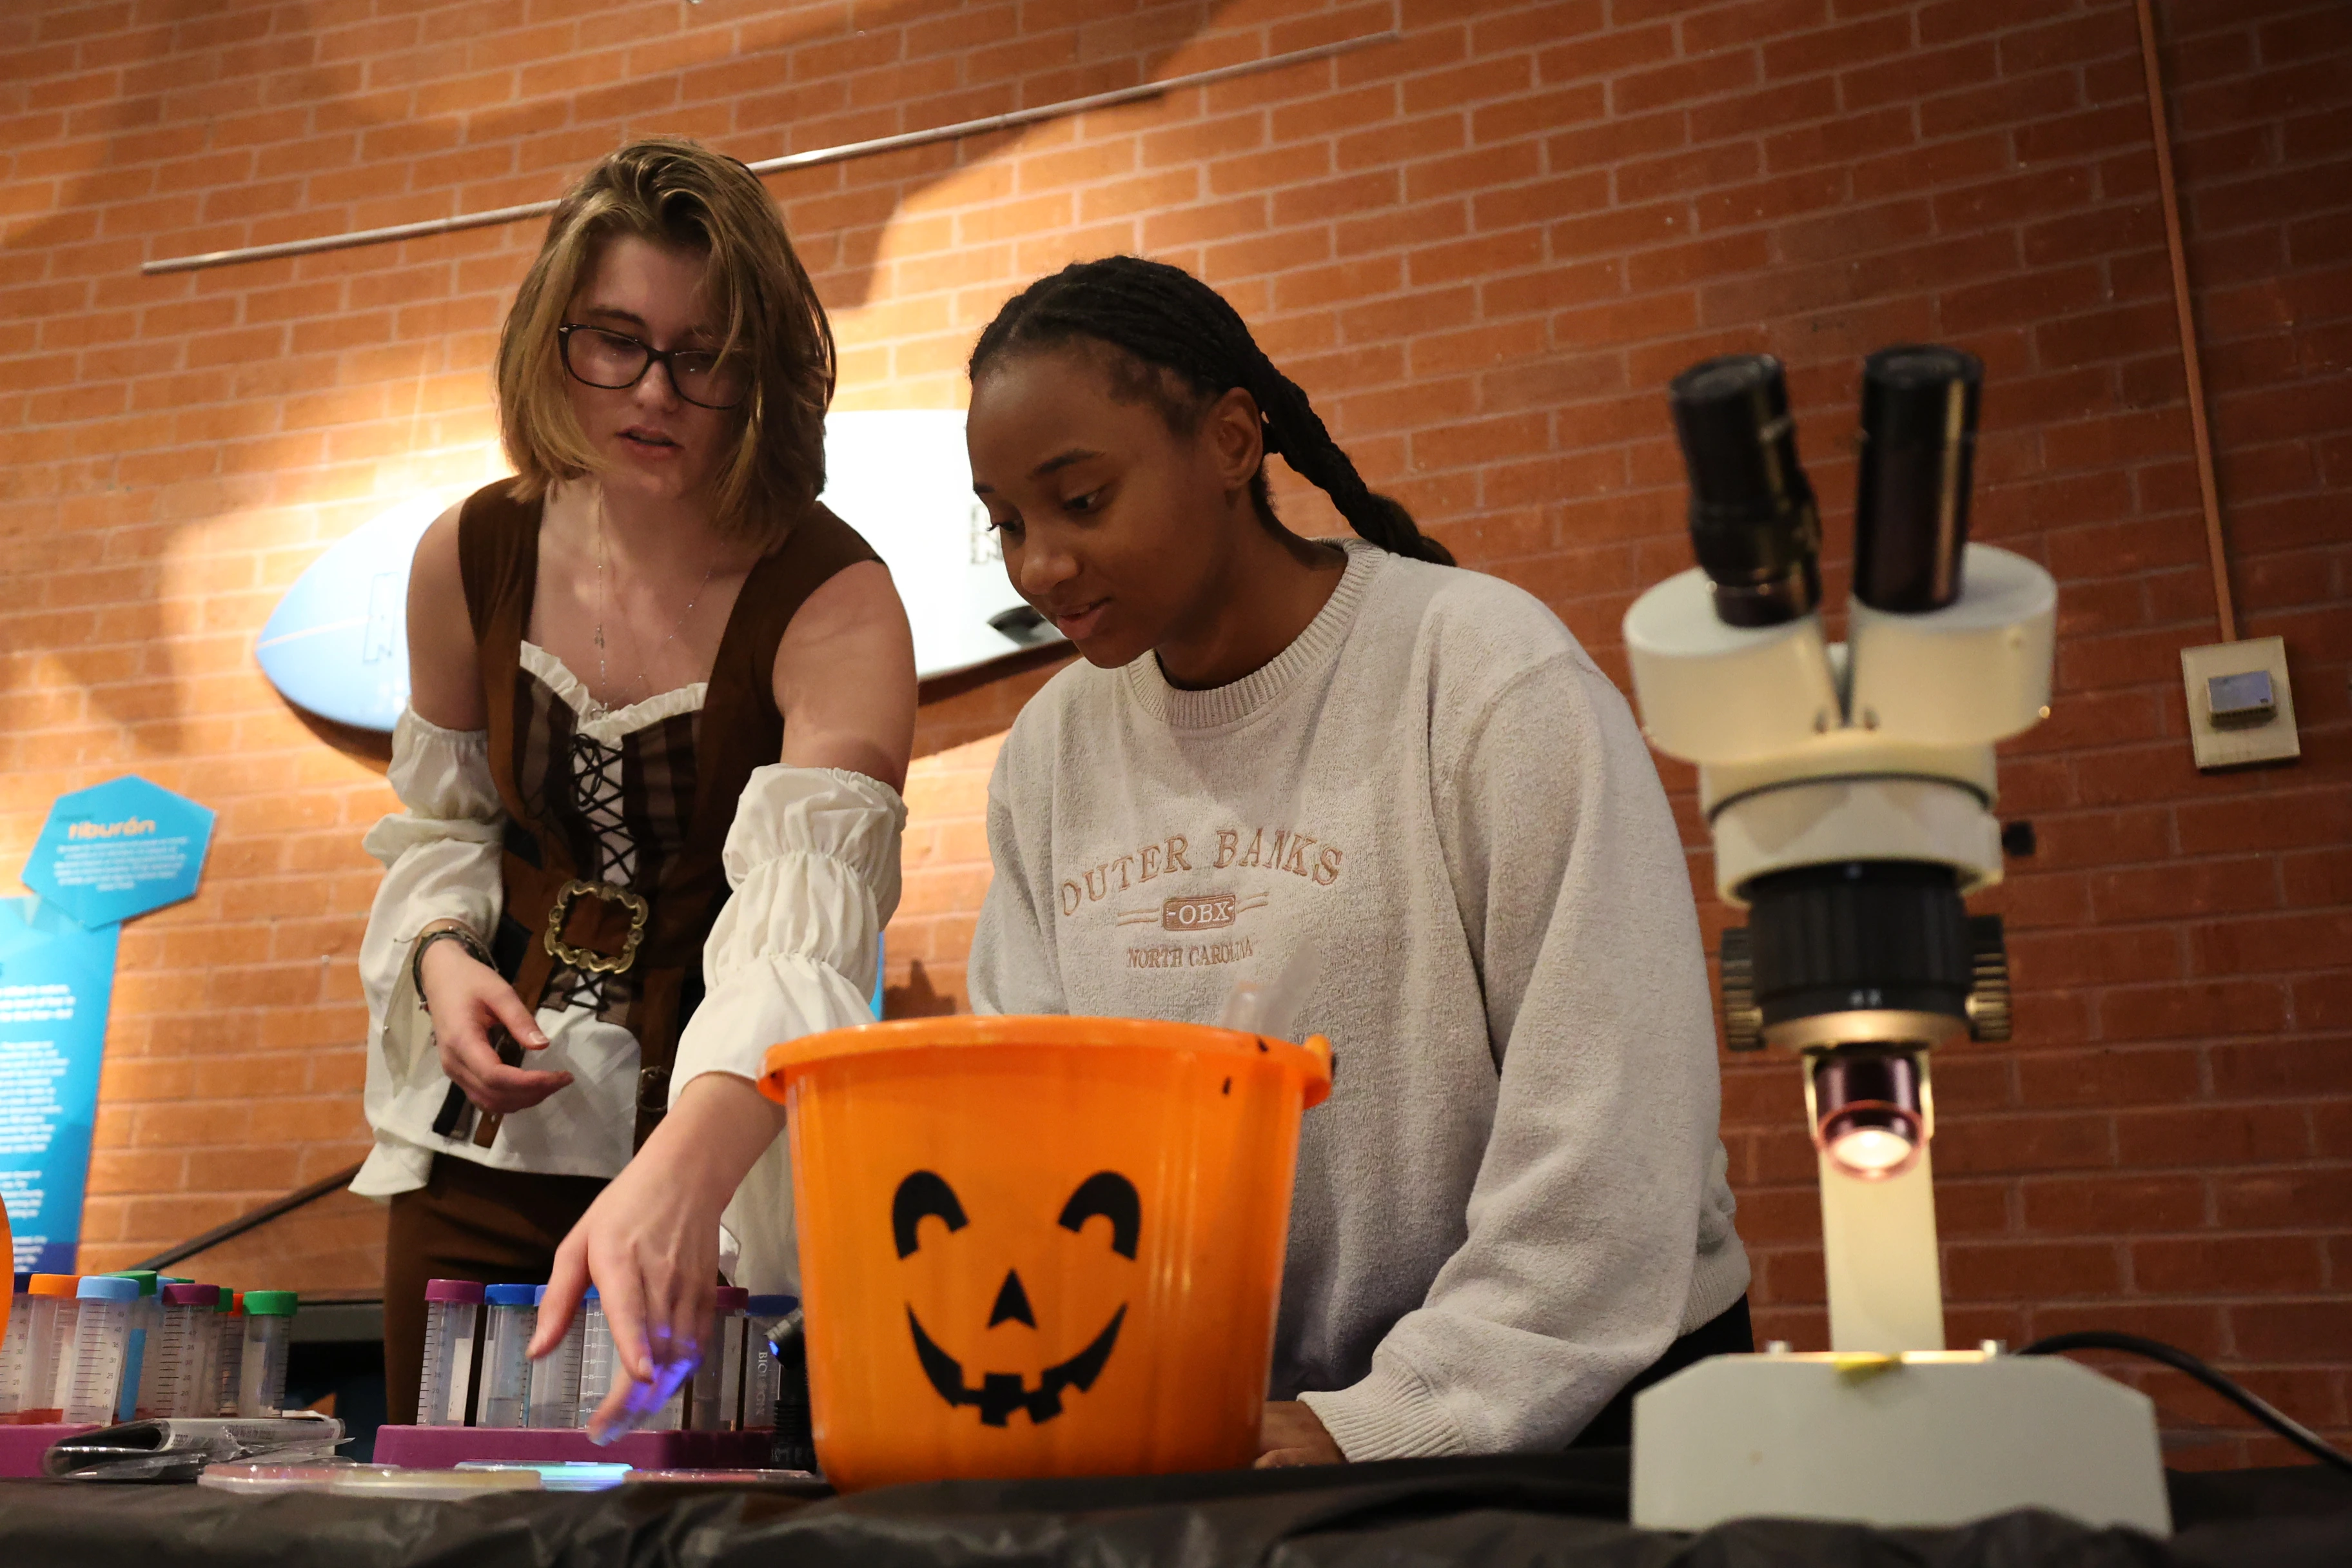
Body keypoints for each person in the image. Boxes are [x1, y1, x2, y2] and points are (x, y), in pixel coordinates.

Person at [959, 257, 1750, 1462]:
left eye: (1081, 501)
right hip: (1255, 1439)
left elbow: (1613, 1134)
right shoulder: (1050, 756)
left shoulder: (1481, 670)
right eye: (1008, 524)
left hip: (1584, 1411)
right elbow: (1031, 1144)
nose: (1040, 566)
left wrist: (1394, 1417)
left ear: (1231, 443)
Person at [353, 137, 915, 1426]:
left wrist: (684, 1174)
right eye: (615, 337)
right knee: (441, 1516)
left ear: (762, 370)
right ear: (553, 337)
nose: (654, 390)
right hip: (472, 1155)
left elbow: (804, 930)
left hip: (712, 1159)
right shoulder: (472, 552)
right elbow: (442, 821)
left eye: (704, 353)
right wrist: (442, 956)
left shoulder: (834, 601)